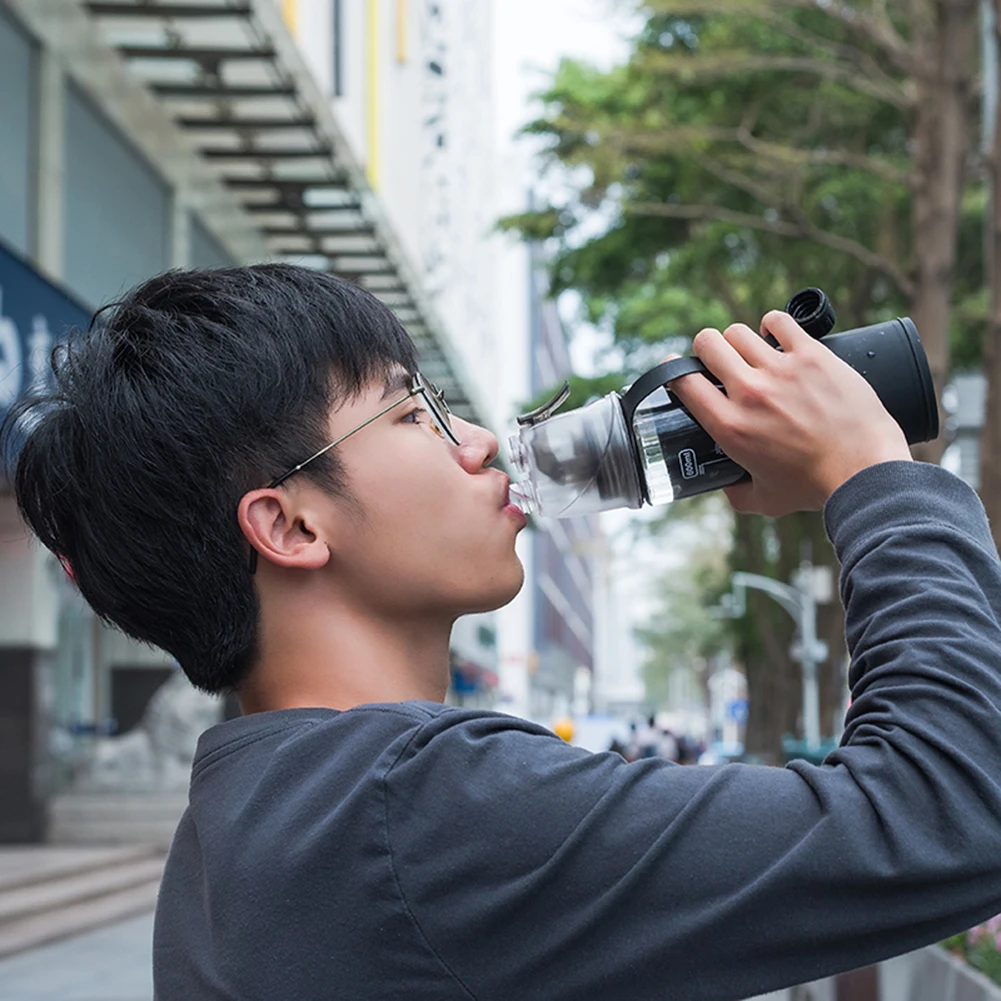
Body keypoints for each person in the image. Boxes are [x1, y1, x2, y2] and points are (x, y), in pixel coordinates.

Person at [5, 262, 1001, 1001]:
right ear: (289, 523)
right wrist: (873, 473)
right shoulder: (416, 803)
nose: (477, 440)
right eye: (412, 413)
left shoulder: (238, 817)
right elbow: (952, 809)